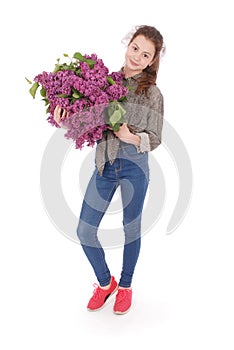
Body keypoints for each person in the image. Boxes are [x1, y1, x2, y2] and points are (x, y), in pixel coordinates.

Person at [54, 25, 164, 314]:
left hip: (134, 169)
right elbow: (86, 124)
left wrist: (130, 136)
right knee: (84, 230)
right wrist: (65, 119)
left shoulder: (152, 93)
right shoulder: (103, 82)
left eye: (146, 54)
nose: (138, 56)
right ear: (128, 45)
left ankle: (126, 286)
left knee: (131, 230)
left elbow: (156, 137)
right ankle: (106, 283)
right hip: (103, 165)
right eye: (135, 48)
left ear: (153, 61)